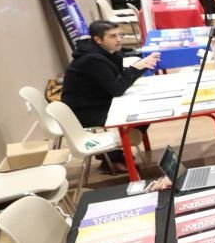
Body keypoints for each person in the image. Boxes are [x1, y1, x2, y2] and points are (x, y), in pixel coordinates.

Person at [62, 20, 160, 171]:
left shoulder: (103, 53)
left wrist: (142, 65)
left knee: (145, 109)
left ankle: (112, 152)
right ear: (98, 40)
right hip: (84, 112)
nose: (119, 39)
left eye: (120, 35)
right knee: (142, 113)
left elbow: (117, 78)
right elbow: (117, 88)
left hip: (95, 102)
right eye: (113, 36)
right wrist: (136, 68)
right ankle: (113, 156)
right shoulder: (92, 59)